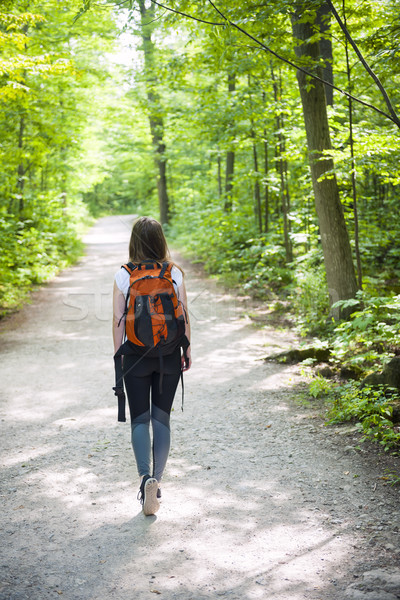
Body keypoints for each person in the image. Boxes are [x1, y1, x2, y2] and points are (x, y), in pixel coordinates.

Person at [112, 216, 191, 516]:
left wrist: (118, 355)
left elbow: (117, 319)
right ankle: (156, 484)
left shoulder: (124, 275)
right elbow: (183, 316)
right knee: (162, 419)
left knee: (139, 420)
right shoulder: (174, 273)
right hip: (169, 353)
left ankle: (144, 477)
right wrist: (187, 349)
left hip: (134, 355)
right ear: (160, 240)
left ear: (134, 241)